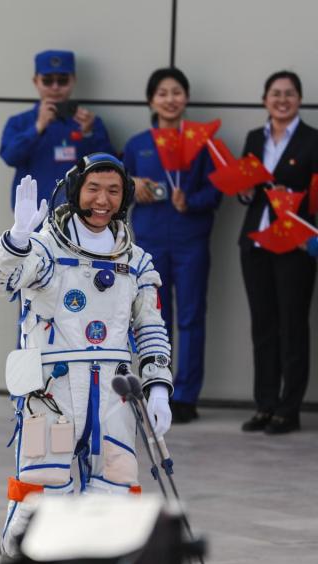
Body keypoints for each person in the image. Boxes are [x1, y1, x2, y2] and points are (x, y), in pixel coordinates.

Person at [0, 154, 173, 558]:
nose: (102, 200)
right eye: (93, 189)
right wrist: (17, 238)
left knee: (115, 499)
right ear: (75, 191)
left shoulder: (136, 263)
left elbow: (151, 329)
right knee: (41, 498)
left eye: (113, 191)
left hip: (114, 400)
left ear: (124, 200)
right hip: (49, 399)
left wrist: (157, 388)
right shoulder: (45, 251)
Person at [123, 68, 223, 423]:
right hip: (150, 245)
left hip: (191, 241)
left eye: (177, 91)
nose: (170, 99)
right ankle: (155, 388)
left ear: (187, 97)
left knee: (192, 317)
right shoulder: (137, 145)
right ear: (151, 100)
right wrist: (133, 183)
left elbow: (217, 190)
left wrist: (191, 201)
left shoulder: (203, 142)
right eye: (162, 93)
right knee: (153, 320)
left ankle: (187, 396)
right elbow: (115, 190)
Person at [238, 71, 318, 435]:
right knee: (263, 327)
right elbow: (245, 192)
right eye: (275, 93)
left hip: (293, 244)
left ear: (299, 99)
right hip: (255, 242)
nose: (282, 99)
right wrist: (243, 191)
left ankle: (289, 408)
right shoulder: (255, 138)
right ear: (264, 99)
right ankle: (265, 405)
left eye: (289, 93)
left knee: (292, 326)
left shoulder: (313, 140)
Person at [0, 49, 114, 207]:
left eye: (62, 80)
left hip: (79, 213)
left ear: (73, 80)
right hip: (34, 214)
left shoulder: (89, 122)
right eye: (47, 81)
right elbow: (9, 157)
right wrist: (38, 127)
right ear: (36, 81)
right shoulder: (20, 122)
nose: (55, 87)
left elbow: (109, 166)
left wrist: (89, 133)